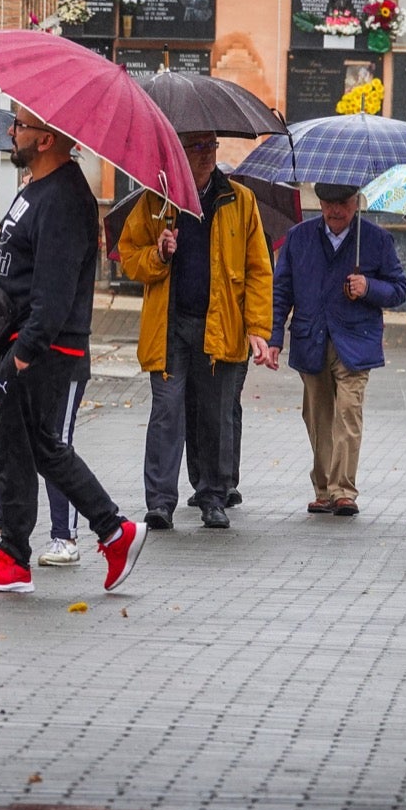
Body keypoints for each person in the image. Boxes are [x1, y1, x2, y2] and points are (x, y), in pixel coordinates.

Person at [0, 108, 145, 593]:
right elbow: (24, 266)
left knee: (24, 449)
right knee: (32, 448)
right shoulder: (37, 189)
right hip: (25, 343)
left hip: (42, 349)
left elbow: (56, 288)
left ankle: (19, 558)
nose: (11, 132)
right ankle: (111, 531)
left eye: (19, 125)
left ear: (45, 140)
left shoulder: (64, 197)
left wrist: (25, 351)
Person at [119, 130, 272, 530]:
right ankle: (160, 501)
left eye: (211, 147)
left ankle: (213, 496)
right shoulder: (157, 200)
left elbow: (259, 270)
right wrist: (158, 253)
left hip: (219, 325)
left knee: (215, 414)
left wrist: (258, 328)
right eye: (197, 147)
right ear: (179, 152)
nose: (206, 155)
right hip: (170, 326)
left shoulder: (240, 199)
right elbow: (129, 256)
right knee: (167, 412)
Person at [260, 183, 406, 516]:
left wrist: (369, 287)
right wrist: (273, 340)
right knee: (318, 417)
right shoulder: (298, 237)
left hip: (355, 343)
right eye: (328, 204)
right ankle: (324, 489)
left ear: (356, 203)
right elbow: (281, 291)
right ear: (320, 203)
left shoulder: (376, 240)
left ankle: (344, 490)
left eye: (342, 203)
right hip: (311, 338)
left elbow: (399, 289)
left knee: (348, 412)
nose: (335, 211)